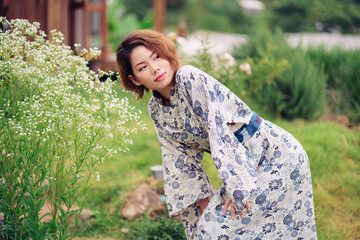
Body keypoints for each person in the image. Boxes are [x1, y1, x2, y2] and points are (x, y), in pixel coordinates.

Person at [116, 29, 317, 240]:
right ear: (135, 79)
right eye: (143, 67)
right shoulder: (156, 110)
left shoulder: (188, 78)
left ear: (165, 53)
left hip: (274, 156)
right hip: (244, 162)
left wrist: (236, 186)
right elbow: (177, 158)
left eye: (156, 56)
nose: (155, 68)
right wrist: (203, 203)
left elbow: (219, 130)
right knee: (210, 229)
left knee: (225, 232)